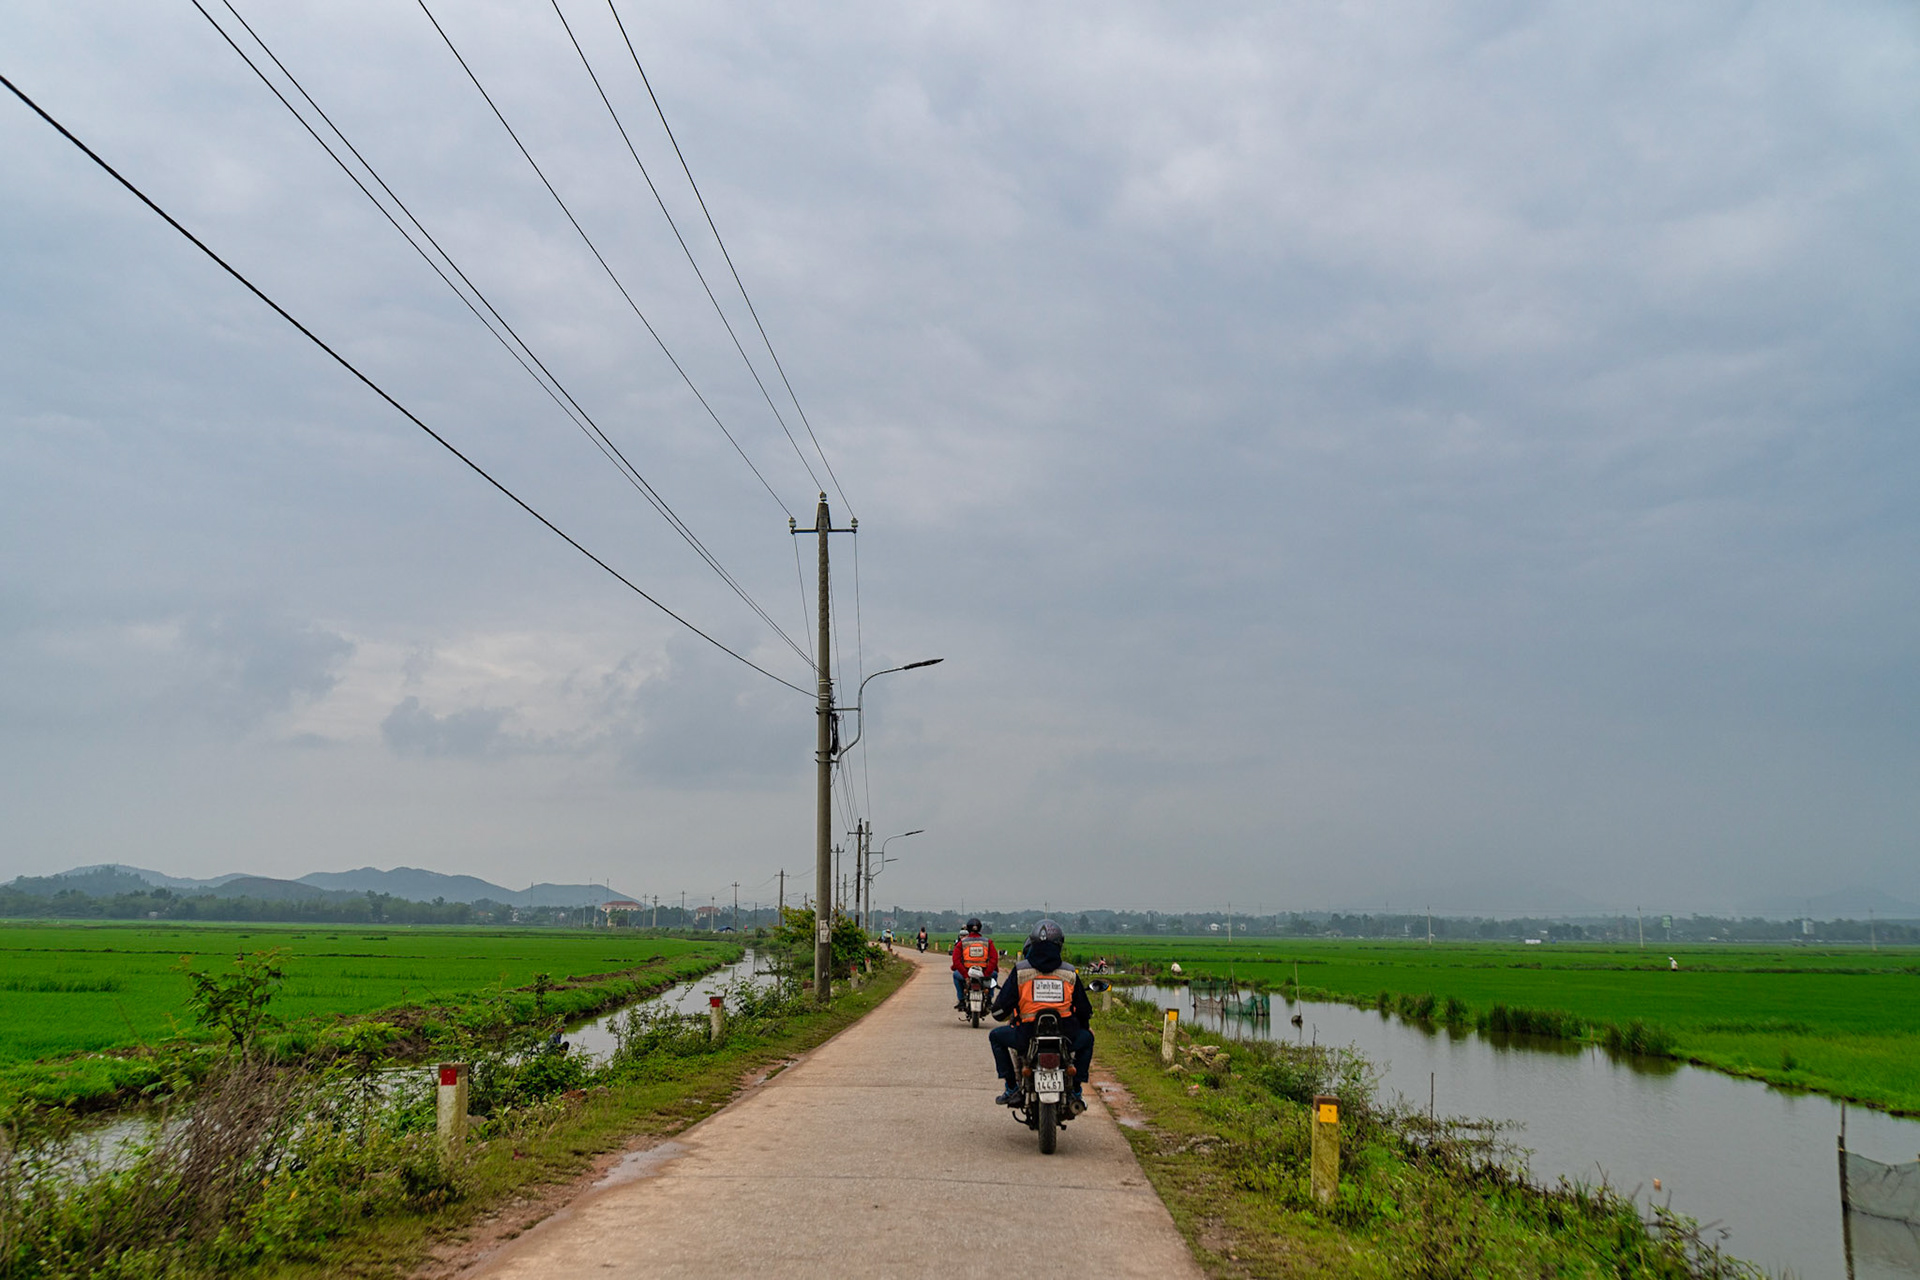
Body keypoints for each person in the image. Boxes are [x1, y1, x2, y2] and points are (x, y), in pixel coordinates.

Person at [989, 919, 1093, 1111]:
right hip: (1066, 1037)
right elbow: (1084, 1009)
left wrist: (1001, 1012)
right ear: (1059, 945)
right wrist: (1084, 1026)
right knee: (1088, 1039)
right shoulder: (1069, 973)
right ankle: (1076, 1089)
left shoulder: (1021, 971)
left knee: (995, 1036)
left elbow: (1000, 1008)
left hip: (1026, 1036)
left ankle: (1011, 1088)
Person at [950, 917, 999, 1010]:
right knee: (994, 975)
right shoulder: (987, 942)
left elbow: (956, 960)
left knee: (956, 975)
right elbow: (994, 959)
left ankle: (961, 1000)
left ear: (968, 929)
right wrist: (986, 974)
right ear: (980, 928)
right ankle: (989, 1000)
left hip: (967, 972)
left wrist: (965, 976)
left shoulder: (962, 943)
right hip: (984, 972)